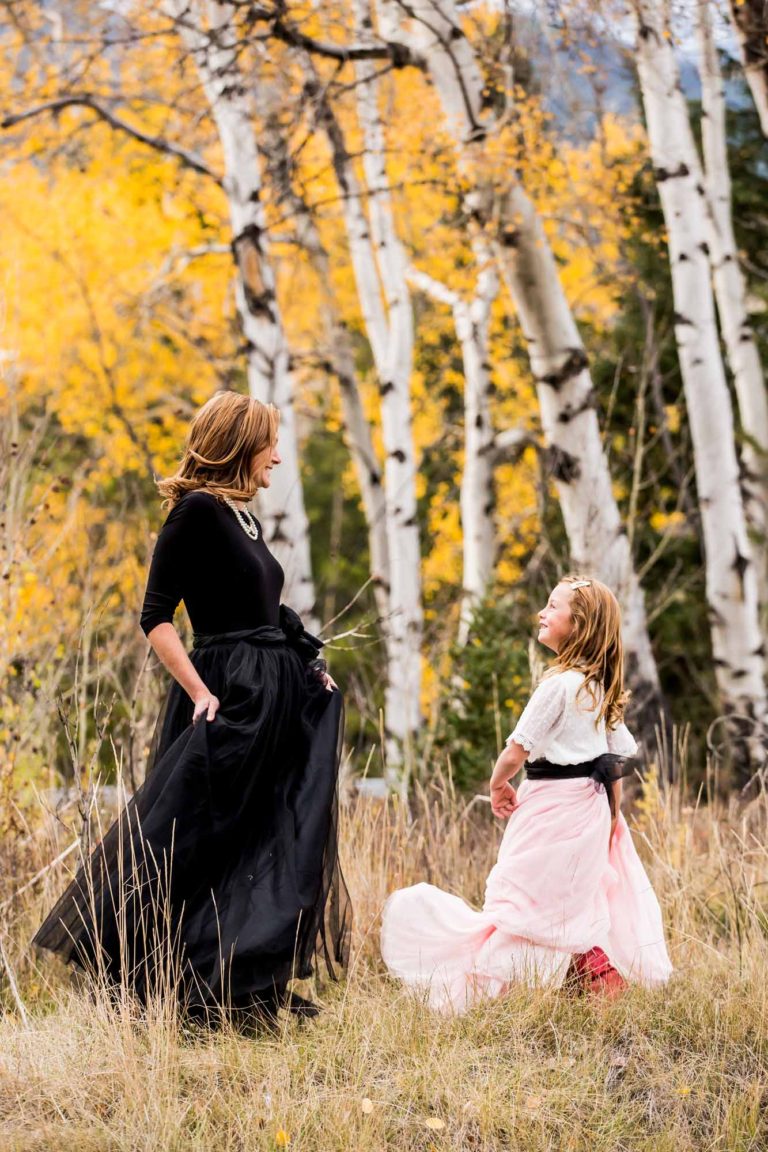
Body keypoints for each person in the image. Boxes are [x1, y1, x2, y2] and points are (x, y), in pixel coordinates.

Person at [35, 392, 351, 1025]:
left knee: (264, 833)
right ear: (240, 444)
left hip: (273, 694)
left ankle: (243, 985)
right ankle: (174, 984)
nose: (278, 458)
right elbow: (155, 618)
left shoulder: (240, 517)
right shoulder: (197, 514)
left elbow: (262, 610)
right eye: (270, 445)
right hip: (229, 698)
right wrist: (200, 691)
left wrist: (309, 667)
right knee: (196, 838)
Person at [381, 575, 672, 1012]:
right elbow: (616, 763)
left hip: (549, 810)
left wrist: (498, 784)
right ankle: (587, 977)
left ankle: (536, 982)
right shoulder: (599, 689)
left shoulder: (557, 686)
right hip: (588, 811)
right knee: (571, 899)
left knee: (528, 899)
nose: (542, 612)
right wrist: (611, 817)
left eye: (553, 607)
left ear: (579, 626)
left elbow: (517, 749)